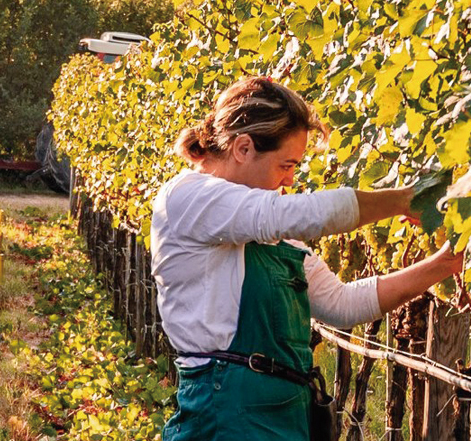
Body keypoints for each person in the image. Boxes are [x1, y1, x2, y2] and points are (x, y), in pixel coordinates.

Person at [152, 76, 463, 441]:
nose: (289, 180)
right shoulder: (188, 197)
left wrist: (446, 263)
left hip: (285, 415)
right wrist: (400, 200)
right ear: (243, 148)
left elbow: (342, 303)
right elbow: (297, 212)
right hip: (227, 413)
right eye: (285, 165)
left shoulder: (271, 230)